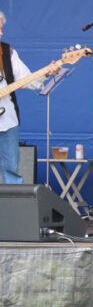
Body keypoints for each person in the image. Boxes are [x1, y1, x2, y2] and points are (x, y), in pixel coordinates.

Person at [0, 11, 61, 184]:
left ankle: (13, 210)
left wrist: (47, 72)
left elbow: (29, 81)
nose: (1, 33)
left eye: (1, 29)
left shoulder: (7, 52)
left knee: (12, 174)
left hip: (7, 122)